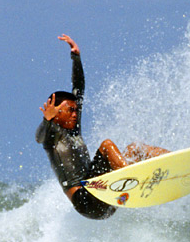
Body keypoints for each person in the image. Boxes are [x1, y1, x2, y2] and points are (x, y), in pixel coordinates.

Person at [36, 34, 170, 220]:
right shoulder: (52, 135)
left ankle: (174, 162)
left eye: (76, 110)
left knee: (134, 148)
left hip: (102, 192)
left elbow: (79, 88)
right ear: (56, 112)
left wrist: (76, 58)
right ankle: (136, 181)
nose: (75, 113)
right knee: (107, 145)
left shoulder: (74, 129)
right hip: (86, 202)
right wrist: (47, 121)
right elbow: (39, 137)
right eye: (70, 110)